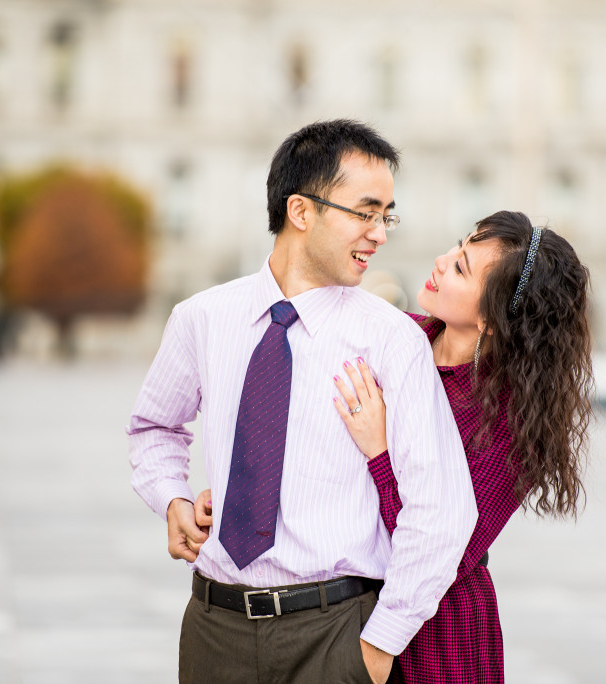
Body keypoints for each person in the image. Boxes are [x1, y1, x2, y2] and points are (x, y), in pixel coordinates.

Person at [126, 119, 477, 684]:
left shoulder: (393, 340)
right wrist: (171, 499)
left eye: (387, 215)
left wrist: (378, 648)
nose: (380, 233)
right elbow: (154, 428)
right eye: (365, 212)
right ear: (301, 211)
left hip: (335, 633)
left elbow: (443, 509)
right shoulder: (202, 319)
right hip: (214, 630)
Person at [331, 210, 594, 683]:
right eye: (457, 247)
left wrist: (379, 451)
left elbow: (445, 542)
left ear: (493, 318)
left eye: (460, 268)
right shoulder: (398, 337)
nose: (441, 260)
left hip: (437, 633)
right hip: (342, 609)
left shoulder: (511, 418)